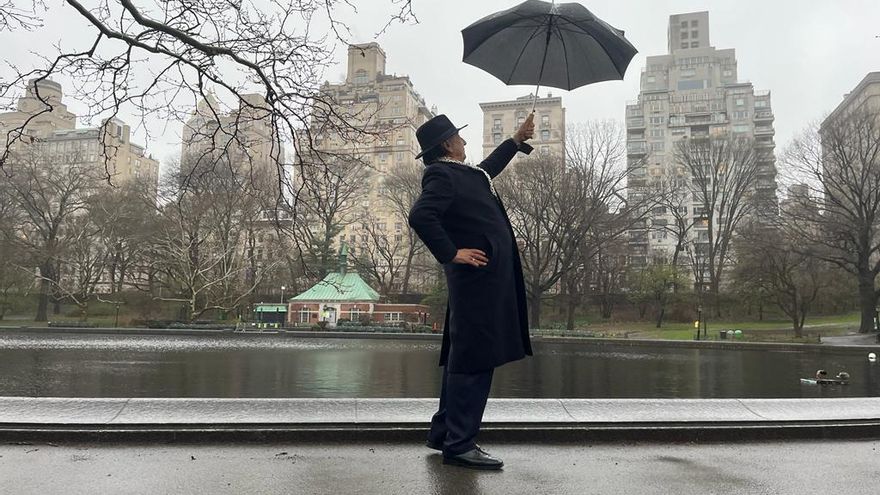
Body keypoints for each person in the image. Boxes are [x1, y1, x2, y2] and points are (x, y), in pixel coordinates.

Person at [408, 113, 535, 470]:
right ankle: (460, 444)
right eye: (460, 139)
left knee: (465, 354)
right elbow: (421, 216)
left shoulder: (466, 174)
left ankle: (445, 432)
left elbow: (487, 169)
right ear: (448, 144)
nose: (465, 143)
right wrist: (452, 253)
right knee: (474, 356)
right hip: (475, 281)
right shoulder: (443, 175)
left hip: (484, 281)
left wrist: (514, 140)